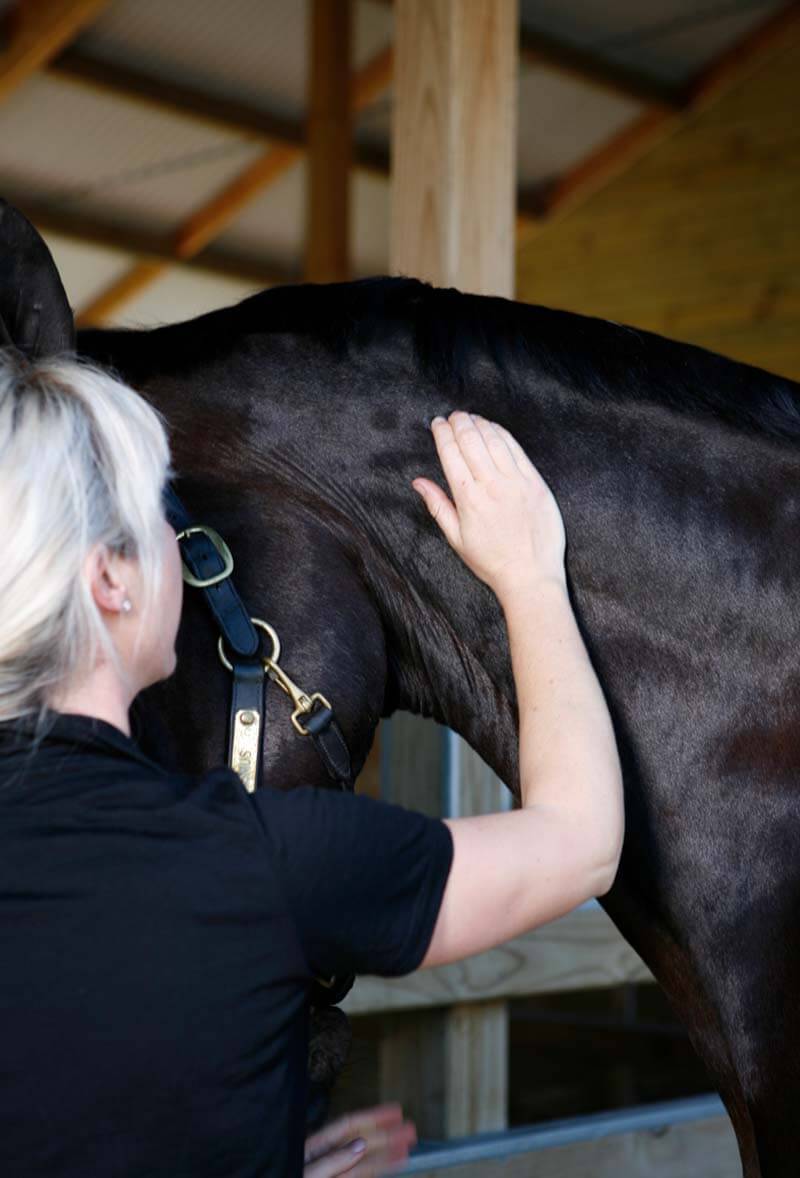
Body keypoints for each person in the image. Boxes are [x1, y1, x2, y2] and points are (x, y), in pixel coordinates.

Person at [0, 350, 624, 1177]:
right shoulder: (261, 862)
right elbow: (582, 839)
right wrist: (532, 578)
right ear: (110, 579)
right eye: (159, 514)